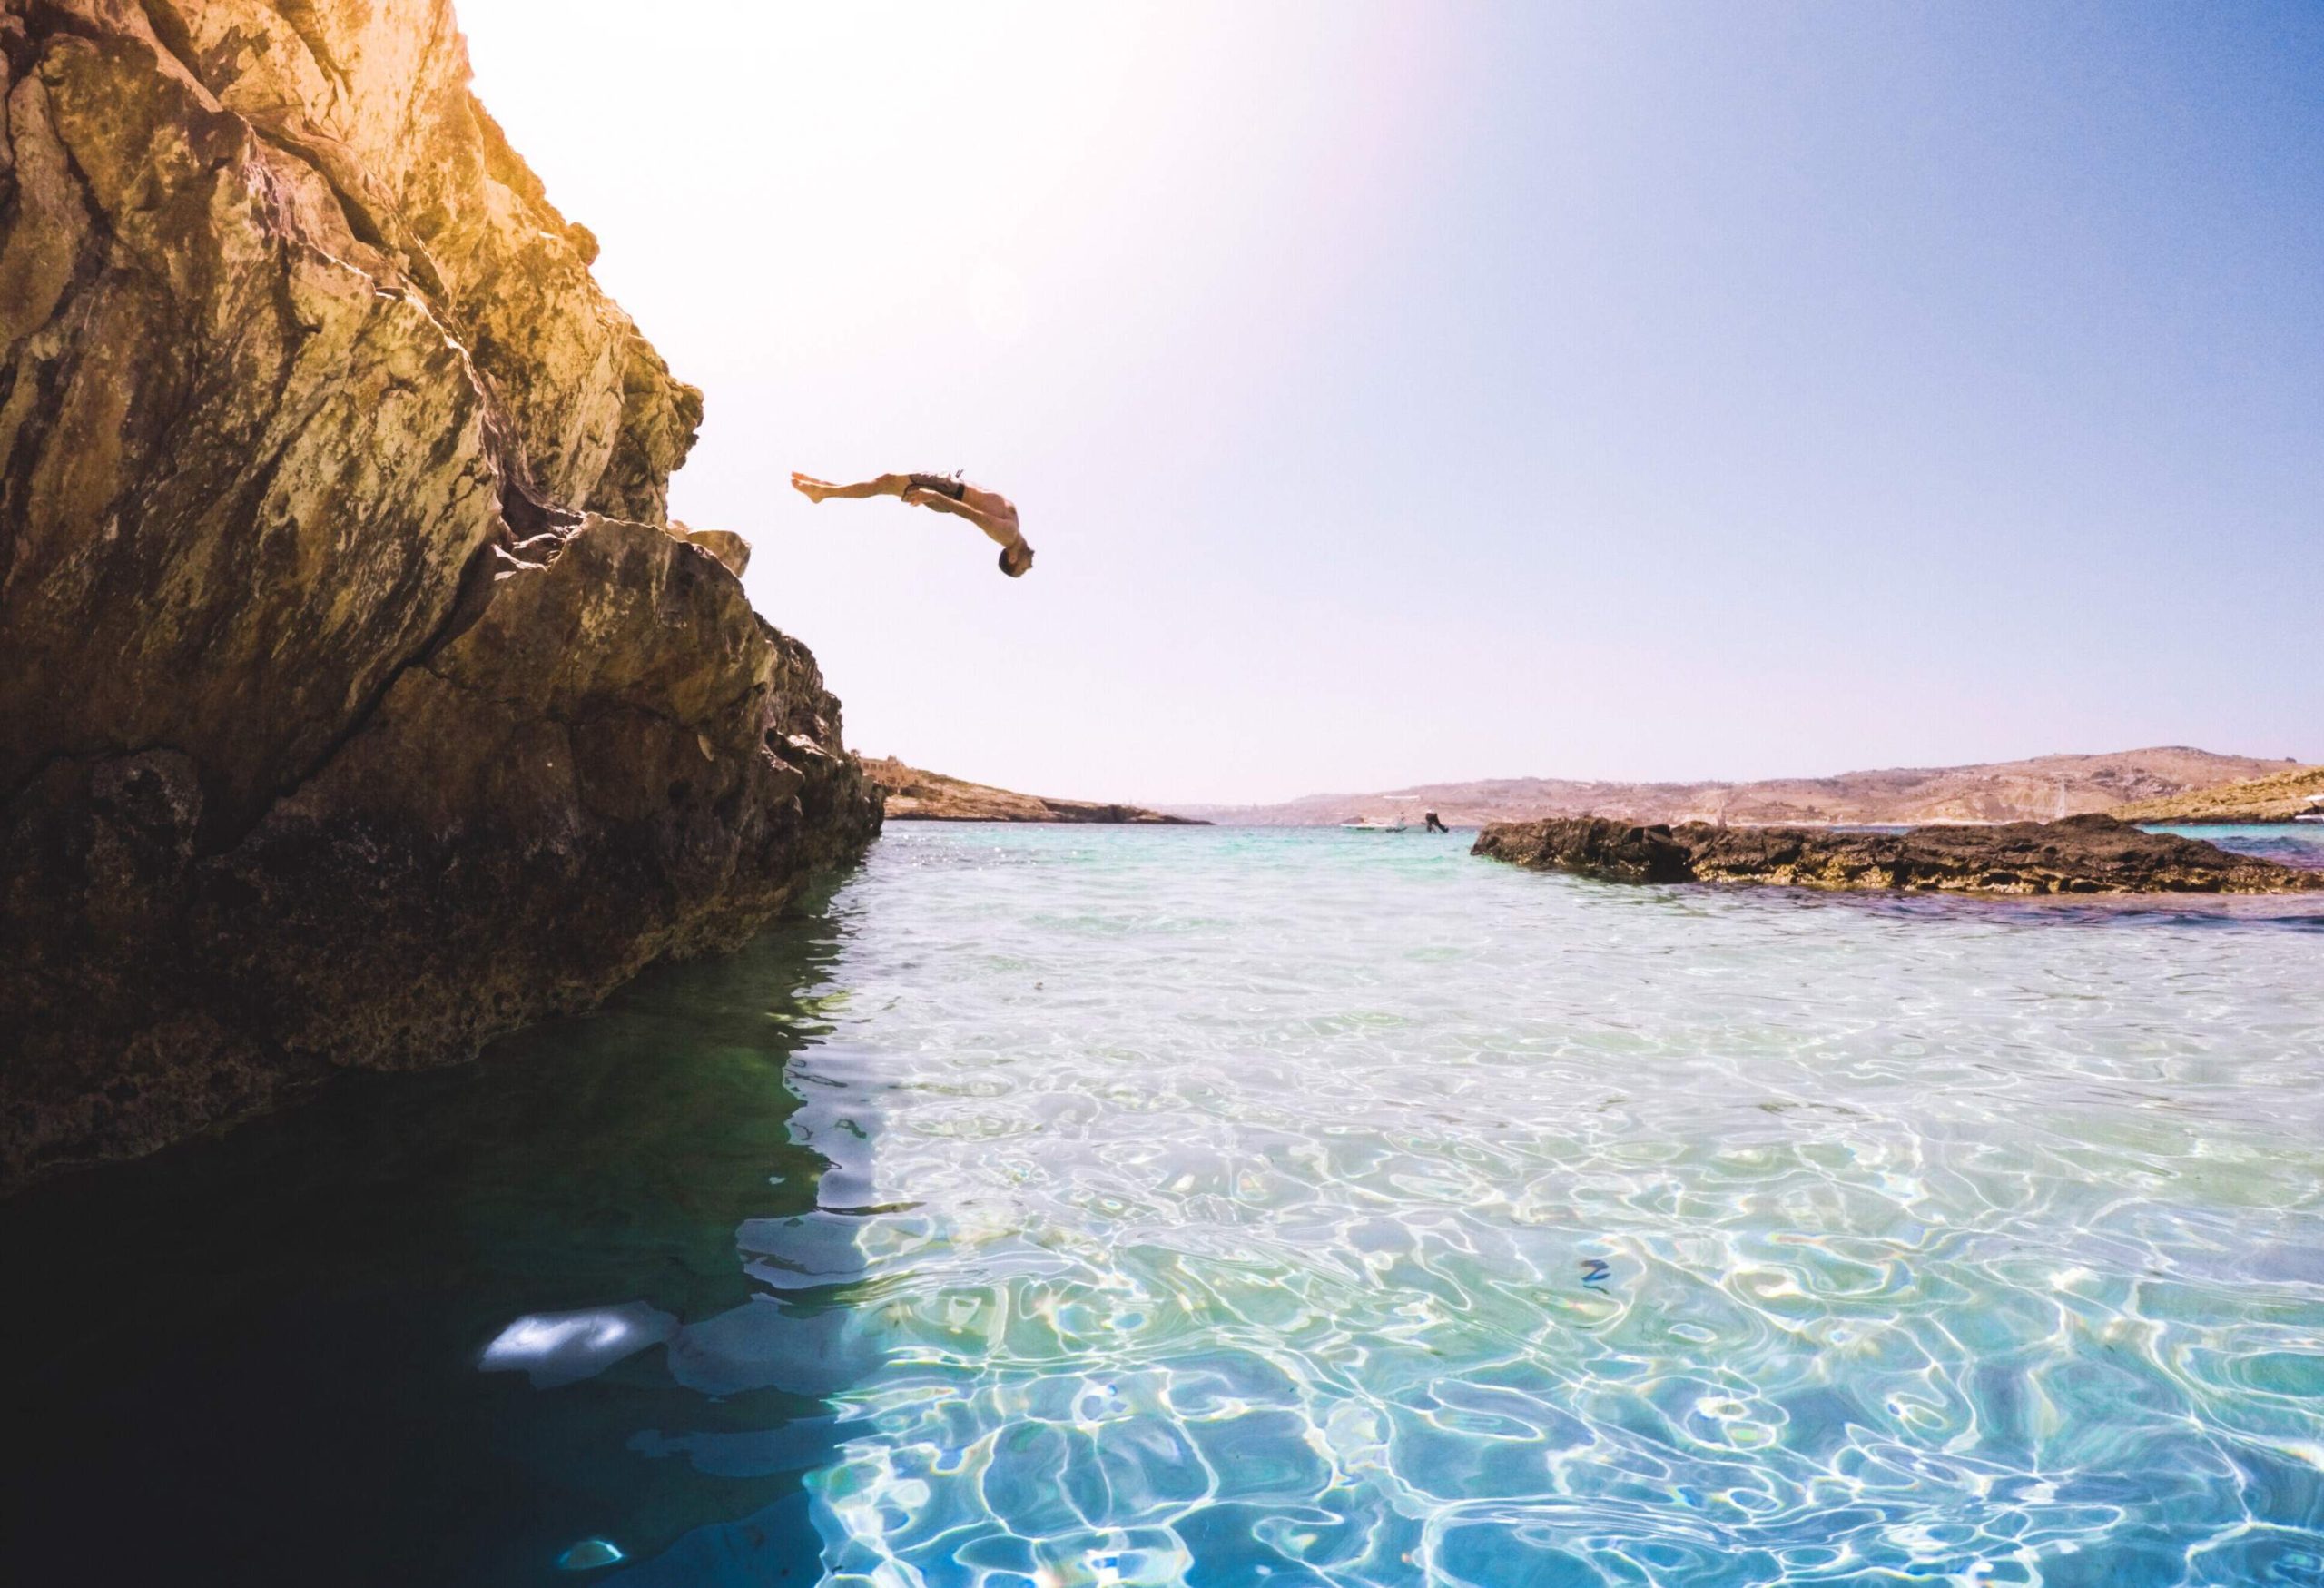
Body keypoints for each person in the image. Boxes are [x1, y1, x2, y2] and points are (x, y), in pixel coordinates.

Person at [790, 470, 1035, 577]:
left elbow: (971, 515)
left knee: (884, 483)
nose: (1029, 566)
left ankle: (823, 492)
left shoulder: (1007, 535)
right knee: (884, 484)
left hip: (947, 492)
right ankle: (824, 487)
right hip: (949, 488)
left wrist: (934, 495)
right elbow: (978, 507)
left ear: (1012, 559)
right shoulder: (1013, 527)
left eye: (1022, 569)